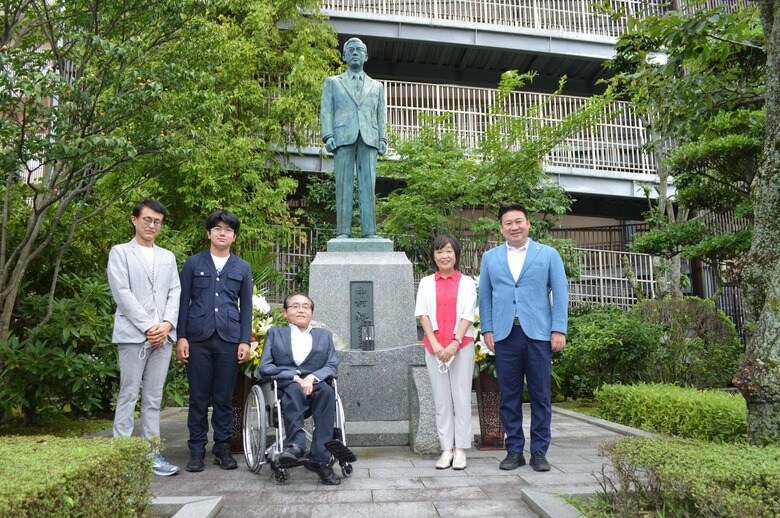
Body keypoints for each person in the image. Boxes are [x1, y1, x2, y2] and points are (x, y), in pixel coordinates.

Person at [478, 203, 568, 472]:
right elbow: (485, 296)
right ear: (501, 228)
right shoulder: (490, 257)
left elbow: (561, 293)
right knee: (509, 396)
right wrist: (488, 329)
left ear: (528, 224)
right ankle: (514, 450)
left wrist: (558, 329)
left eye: (519, 221)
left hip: (538, 335)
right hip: (505, 335)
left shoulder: (549, 254)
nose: (514, 227)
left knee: (541, 396)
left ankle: (539, 452)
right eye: (508, 223)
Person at [107, 199, 181, 476]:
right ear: (134, 220)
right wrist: (150, 327)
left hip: (163, 336)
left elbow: (175, 291)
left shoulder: (167, 257)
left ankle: (152, 453)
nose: (152, 225)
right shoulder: (121, 252)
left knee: (153, 398)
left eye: (157, 221)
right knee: (128, 393)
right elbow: (122, 293)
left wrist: (167, 324)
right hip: (133, 335)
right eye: (148, 219)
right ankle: (121, 456)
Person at [176, 210, 253, 472]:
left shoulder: (242, 267)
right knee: (198, 397)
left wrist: (245, 340)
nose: (223, 233)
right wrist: (181, 336)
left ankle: (222, 449)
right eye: (217, 228)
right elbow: (183, 302)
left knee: (223, 398)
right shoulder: (193, 263)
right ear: (209, 233)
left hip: (229, 339)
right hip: (197, 338)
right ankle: (196, 450)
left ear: (234, 236)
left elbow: (247, 308)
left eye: (228, 229)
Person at [259, 293, 341, 485]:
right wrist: (296, 377)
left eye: (305, 306)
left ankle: (320, 458)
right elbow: (265, 367)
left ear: (311, 313)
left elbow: (332, 365)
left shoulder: (324, 335)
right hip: (286, 386)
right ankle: (295, 445)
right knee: (295, 390)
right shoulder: (275, 333)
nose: (301, 309)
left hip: (316, 385)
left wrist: (311, 377)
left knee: (328, 392)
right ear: (285, 313)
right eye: (295, 306)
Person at [414, 235, 477, 470]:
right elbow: (423, 314)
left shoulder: (467, 282)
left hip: (461, 346)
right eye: (439, 251)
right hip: (434, 348)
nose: (444, 256)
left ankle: (460, 449)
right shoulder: (427, 282)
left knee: (461, 398)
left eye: (449, 251)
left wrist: (453, 343)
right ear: (434, 256)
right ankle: (446, 449)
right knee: (441, 401)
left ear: (456, 254)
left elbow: (468, 315)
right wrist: (436, 344)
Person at [320, 37, 387, 239]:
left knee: (369, 185)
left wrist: (383, 139)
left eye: (359, 50)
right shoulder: (333, 82)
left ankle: (370, 232)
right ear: (344, 56)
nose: (355, 53)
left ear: (366, 56)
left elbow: (380, 115)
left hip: (369, 137)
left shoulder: (377, 86)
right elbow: (326, 111)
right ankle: (343, 231)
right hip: (342, 136)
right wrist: (328, 135)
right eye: (351, 50)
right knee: (343, 184)